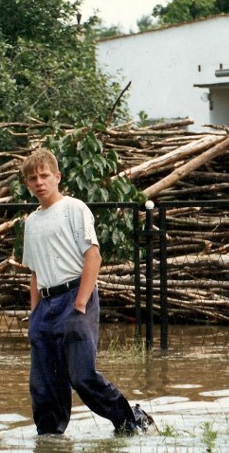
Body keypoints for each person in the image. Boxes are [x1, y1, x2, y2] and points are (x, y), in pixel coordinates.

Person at [19, 148, 152, 436]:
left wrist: (80, 303)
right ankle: (50, 441)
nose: (39, 182)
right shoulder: (31, 222)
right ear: (27, 184)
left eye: (44, 176)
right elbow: (34, 271)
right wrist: (34, 314)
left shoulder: (74, 209)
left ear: (57, 177)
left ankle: (130, 420)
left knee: (82, 376)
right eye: (32, 178)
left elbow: (93, 256)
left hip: (74, 296)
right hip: (45, 304)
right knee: (44, 385)